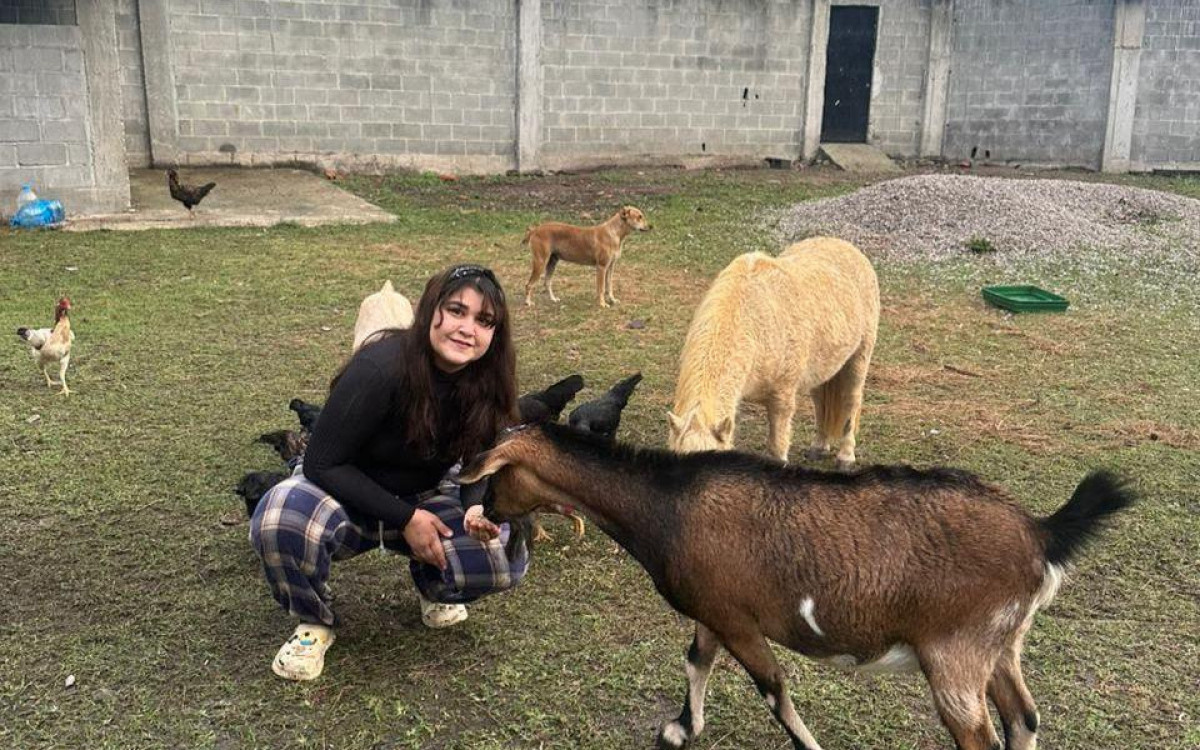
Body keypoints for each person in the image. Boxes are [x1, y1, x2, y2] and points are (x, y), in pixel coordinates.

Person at [250, 264, 529, 681]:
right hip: (345, 495)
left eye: (484, 320)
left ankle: (434, 585)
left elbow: (476, 465)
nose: (467, 328)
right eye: (456, 310)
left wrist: (472, 511)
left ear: (495, 334)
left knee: (505, 550)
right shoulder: (381, 366)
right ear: (430, 309)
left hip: (425, 496)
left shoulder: (487, 382)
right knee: (279, 515)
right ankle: (314, 621)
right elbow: (322, 462)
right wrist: (406, 519)